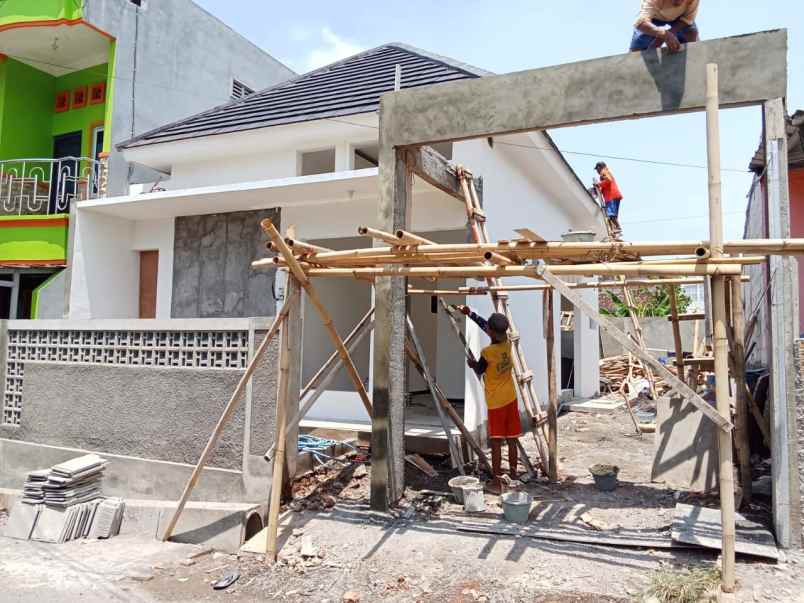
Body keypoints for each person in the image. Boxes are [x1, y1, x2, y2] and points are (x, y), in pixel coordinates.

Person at [456, 305, 522, 494]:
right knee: (512, 440)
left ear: (491, 332)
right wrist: (471, 315)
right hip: (511, 397)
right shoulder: (508, 342)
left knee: (495, 442)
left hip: (496, 402)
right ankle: (514, 476)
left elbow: (479, 370)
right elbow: (487, 326)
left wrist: (471, 363)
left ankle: (496, 480)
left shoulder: (487, 352)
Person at [630, 0, 700, 53]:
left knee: (691, 32)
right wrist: (662, 34)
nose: (679, 2)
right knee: (639, 43)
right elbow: (640, 23)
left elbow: (687, 19)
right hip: (655, 17)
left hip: (679, 18)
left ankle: (690, 58)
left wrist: (667, 35)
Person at [594, 161, 623, 240]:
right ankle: (615, 232)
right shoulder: (605, 173)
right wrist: (599, 188)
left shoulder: (604, 172)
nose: (597, 171)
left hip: (611, 196)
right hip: (613, 196)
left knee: (610, 214)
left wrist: (598, 184)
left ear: (600, 167)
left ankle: (617, 228)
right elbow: (606, 184)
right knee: (611, 215)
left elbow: (609, 180)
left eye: (597, 169)